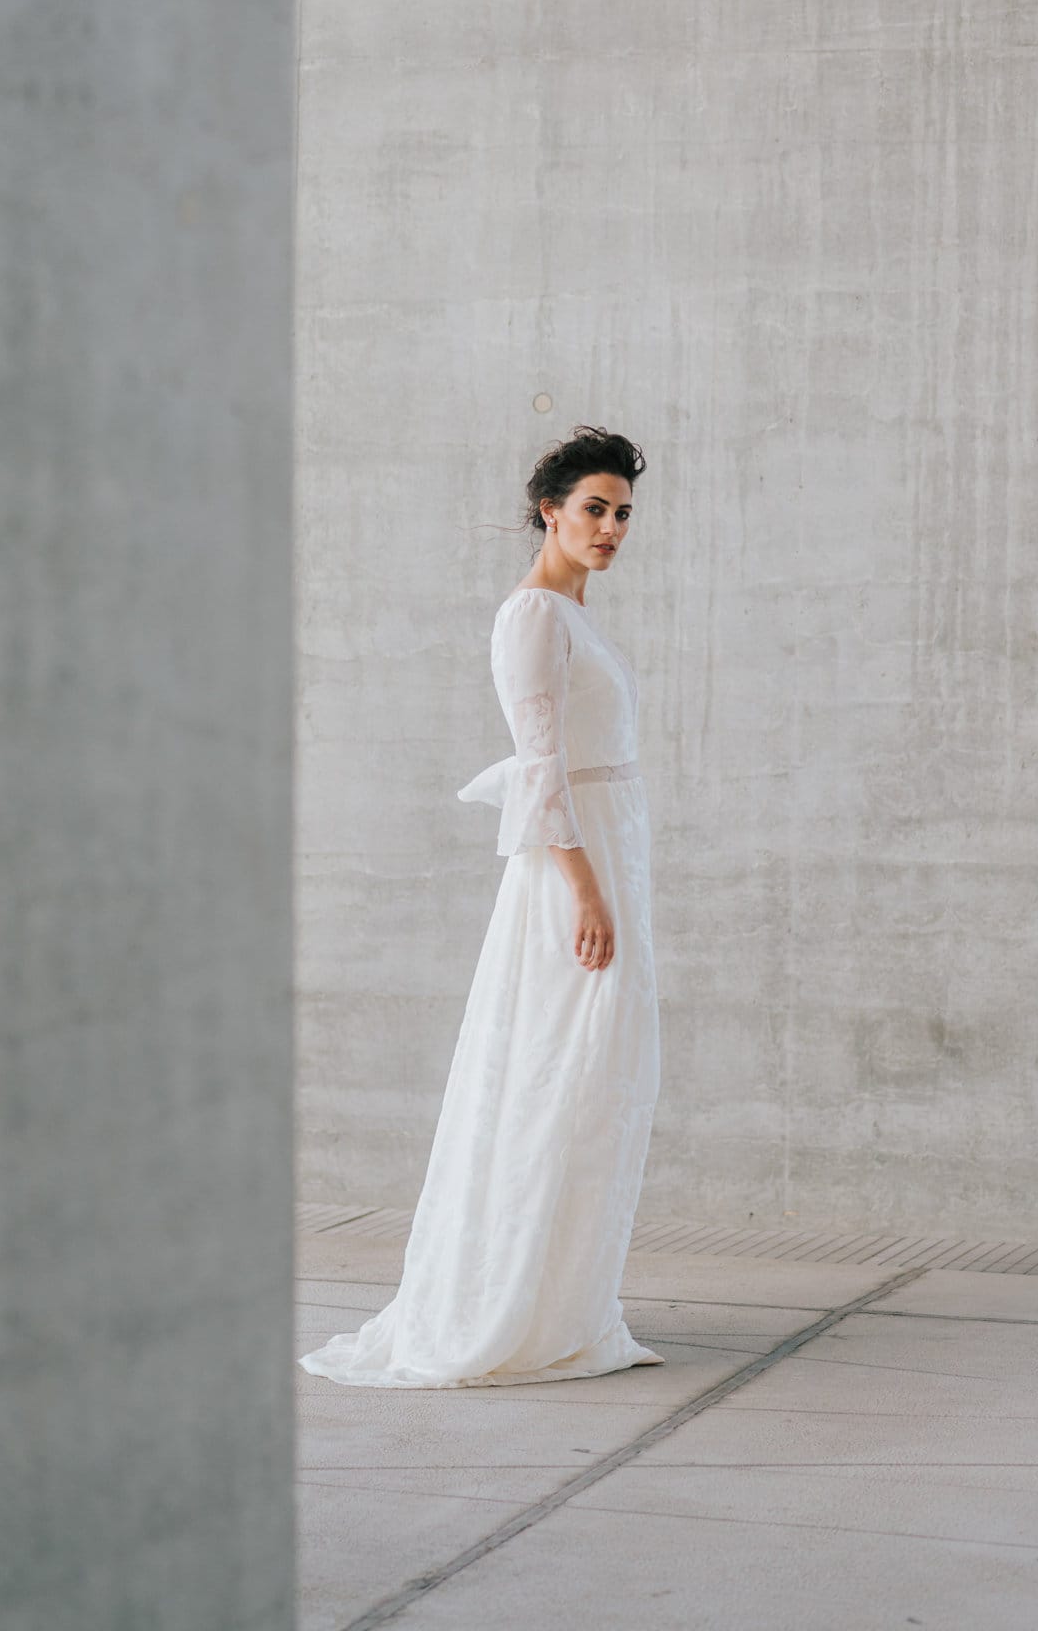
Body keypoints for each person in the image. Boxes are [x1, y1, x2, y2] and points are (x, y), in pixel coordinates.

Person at [298, 425, 662, 1387]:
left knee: (594, 1084)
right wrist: (585, 892)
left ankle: (560, 1301)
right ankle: (499, 1304)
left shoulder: (576, 616)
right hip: (571, 874)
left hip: (609, 856)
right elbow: (541, 773)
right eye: (594, 508)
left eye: (622, 513)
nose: (611, 527)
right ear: (549, 511)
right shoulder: (533, 616)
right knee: (551, 1074)